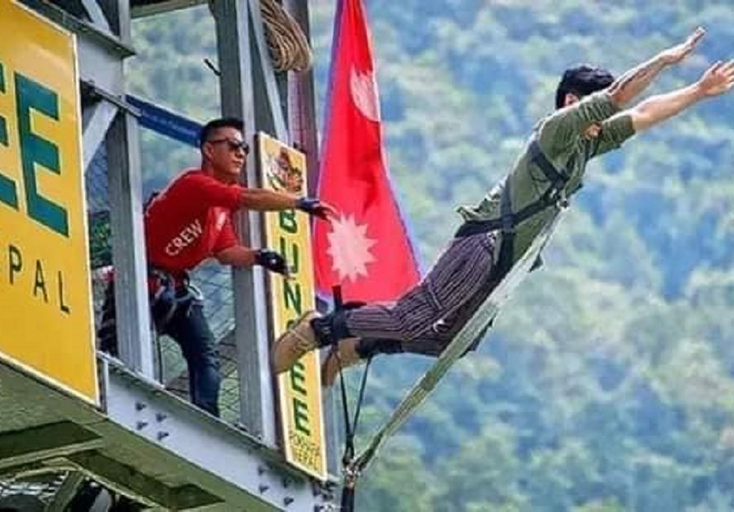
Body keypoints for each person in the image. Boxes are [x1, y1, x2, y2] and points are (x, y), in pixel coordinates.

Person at [273, 27, 734, 387]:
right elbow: (620, 99)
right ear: (575, 103)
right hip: (487, 242)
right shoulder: (557, 131)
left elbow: (645, 112)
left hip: (505, 264)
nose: (607, 122)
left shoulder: (587, 148)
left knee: (454, 340)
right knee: (414, 314)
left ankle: (355, 347)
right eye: (599, 112)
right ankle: (316, 331)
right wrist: (665, 59)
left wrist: (696, 91)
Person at [98, 117, 336, 417]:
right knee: (119, 351)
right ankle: (116, 400)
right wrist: (299, 203)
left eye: (245, 149)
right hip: (138, 281)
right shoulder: (194, 185)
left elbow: (225, 251)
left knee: (205, 352)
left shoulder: (220, 209)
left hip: (175, 287)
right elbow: (247, 198)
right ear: (209, 151)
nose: (240, 154)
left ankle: (206, 417)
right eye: (233, 146)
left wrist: (260, 257)